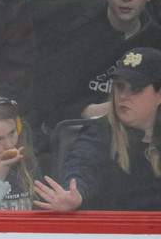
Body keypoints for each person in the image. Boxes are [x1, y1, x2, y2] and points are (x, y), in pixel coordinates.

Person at [32, 0, 161, 137]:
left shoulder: (156, 41)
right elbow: (47, 104)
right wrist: (88, 111)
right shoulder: (73, 31)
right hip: (81, 131)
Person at [34, 47, 161, 211]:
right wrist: (75, 194)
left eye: (136, 89)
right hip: (113, 232)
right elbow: (82, 166)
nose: (123, 96)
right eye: (120, 86)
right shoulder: (99, 133)